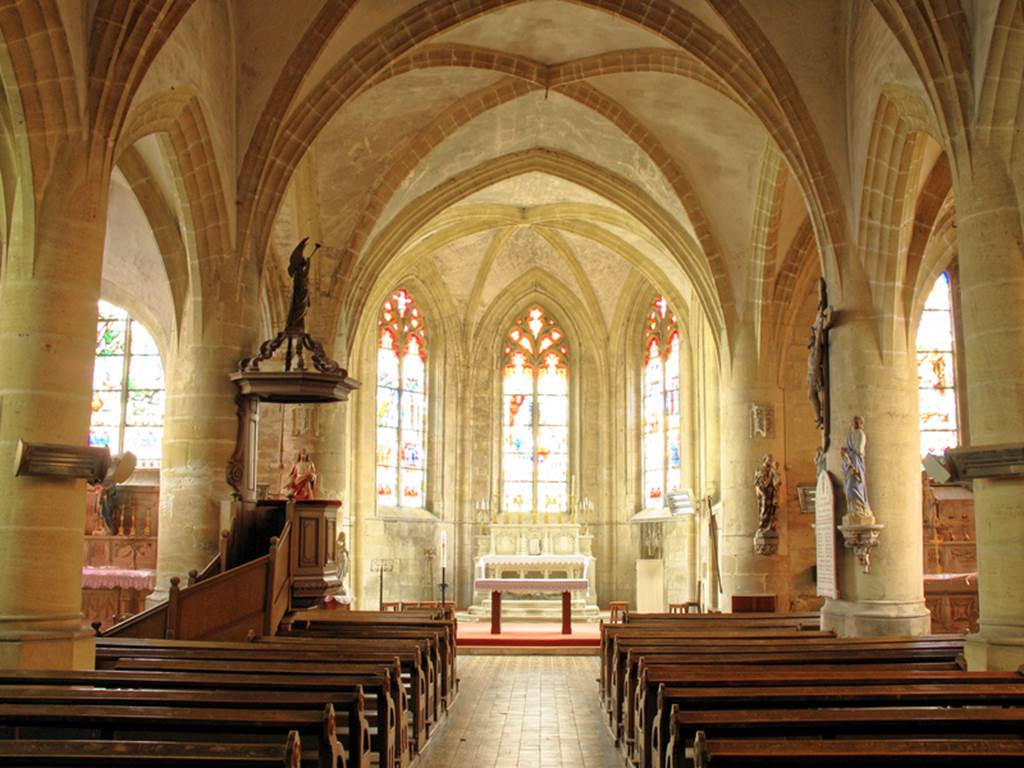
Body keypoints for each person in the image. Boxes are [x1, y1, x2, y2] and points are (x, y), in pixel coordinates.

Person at [840, 415, 874, 524]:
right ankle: (852, 510)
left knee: (856, 485)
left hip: (856, 462)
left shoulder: (860, 434)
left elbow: (859, 451)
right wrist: (844, 452)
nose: (855, 424)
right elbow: (851, 448)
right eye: (854, 422)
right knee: (849, 487)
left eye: (857, 422)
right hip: (850, 463)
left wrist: (847, 453)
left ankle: (860, 510)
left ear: (861, 423)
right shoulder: (850, 434)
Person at [754, 454, 781, 531]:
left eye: (771, 460)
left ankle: (770, 525)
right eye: (768, 460)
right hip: (763, 492)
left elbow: (777, 481)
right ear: (764, 460)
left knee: (772, 509)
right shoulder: (760, 469)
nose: (770, 462)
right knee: (764, 508)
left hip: (771, 492)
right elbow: (759, 481)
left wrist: (774, 472)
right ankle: (762, 525)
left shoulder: (772, 470)